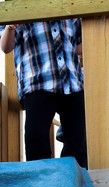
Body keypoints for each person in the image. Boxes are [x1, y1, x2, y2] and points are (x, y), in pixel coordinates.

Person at [0, 19, 88, 168]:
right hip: (38, 81)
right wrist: (10, 27)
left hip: (72, 82)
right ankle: (40, 180)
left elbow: (79, 46)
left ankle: (72, 178)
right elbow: (6, 47)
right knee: (36, 138)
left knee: (77, 139)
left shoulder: (70, 9)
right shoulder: (22, 6)